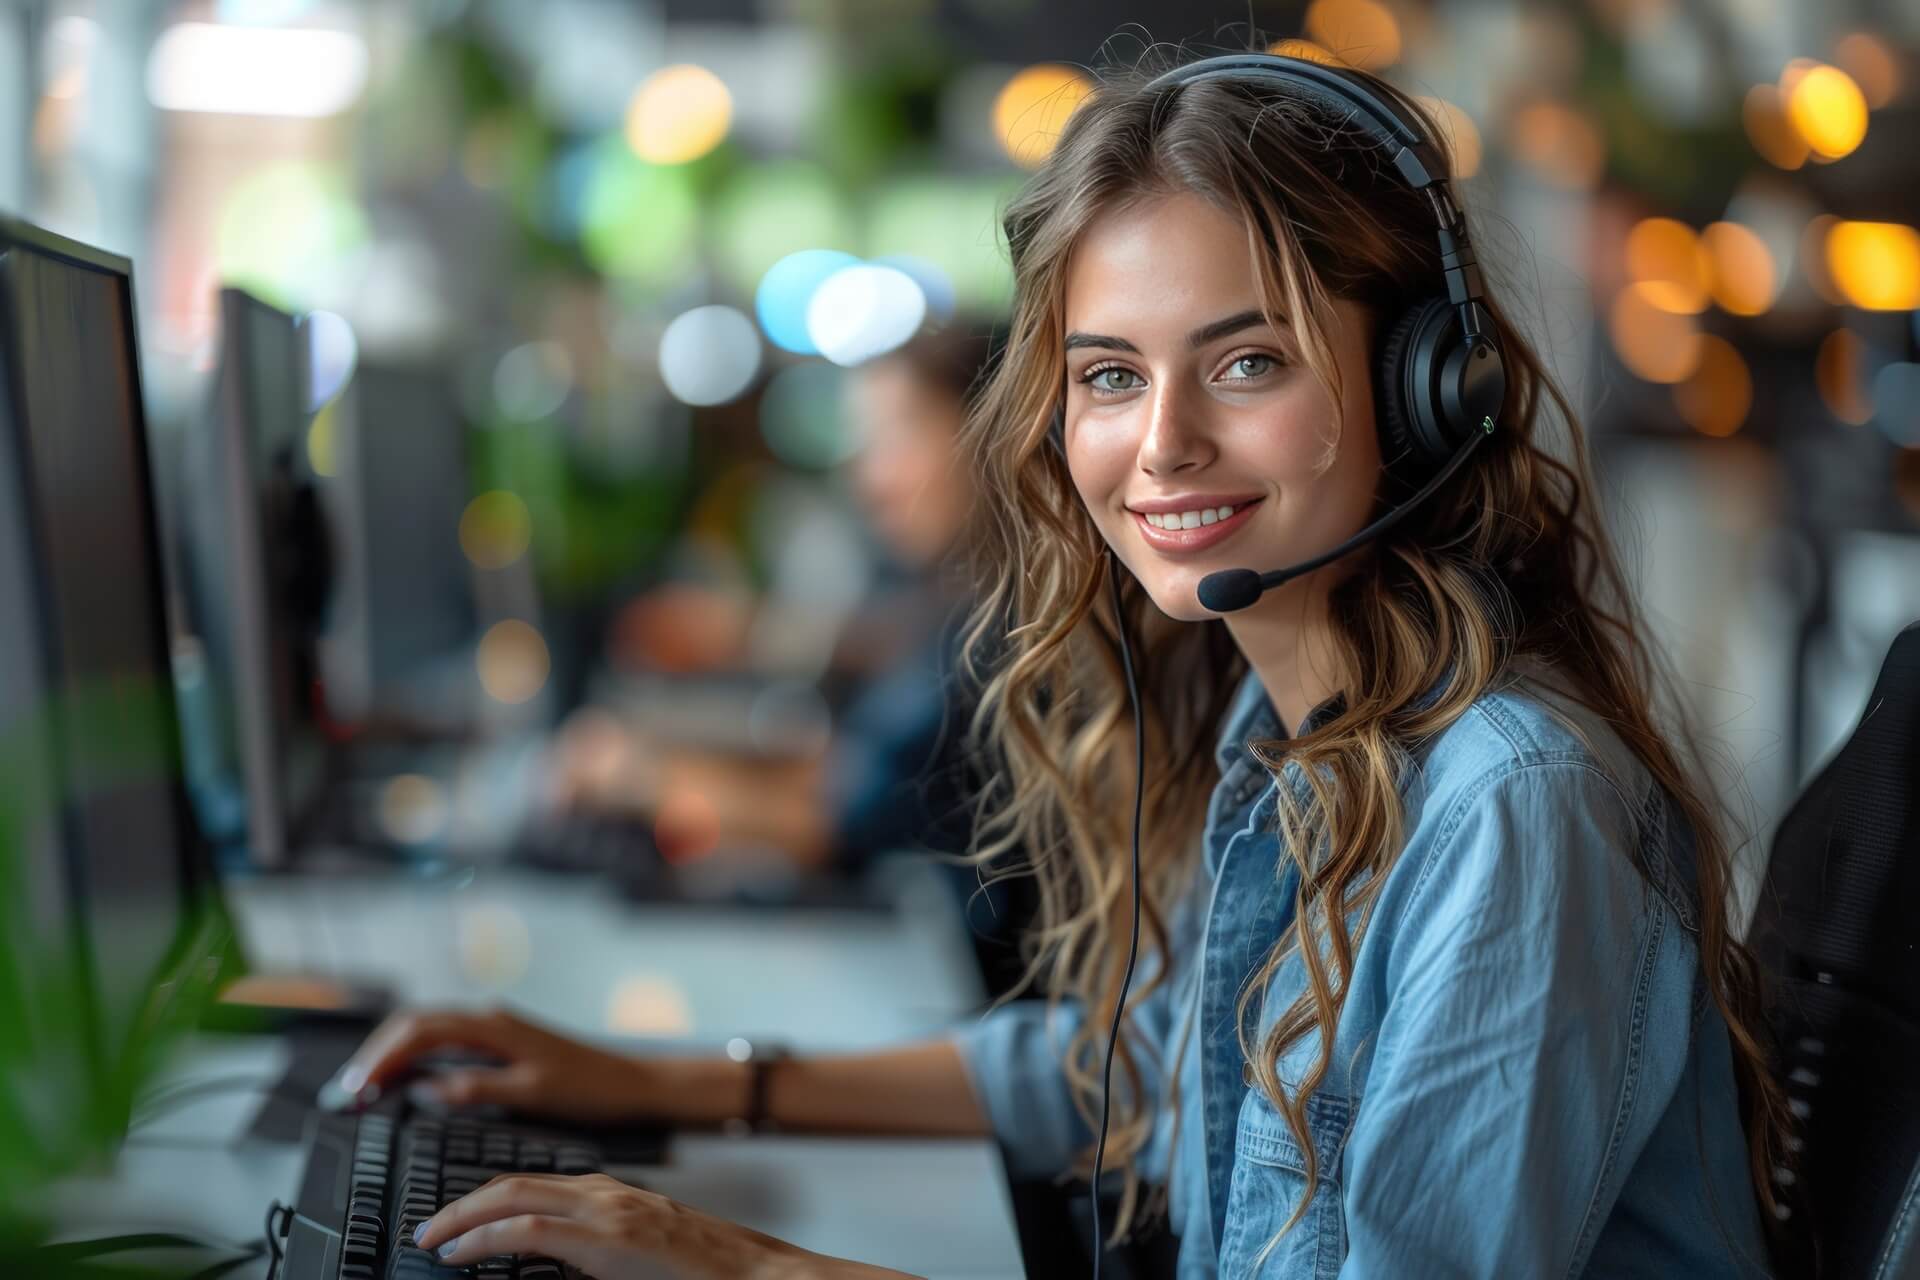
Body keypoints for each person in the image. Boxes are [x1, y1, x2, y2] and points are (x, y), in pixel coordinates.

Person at [326, 50, 1788, 1278]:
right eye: (1109, 376)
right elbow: (1148, 1075)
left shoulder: (1508, 804)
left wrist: (746, 1260)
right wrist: (659, 1082)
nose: (1161, 445)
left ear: (1422, 390)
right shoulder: (1294, 739)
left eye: (1248, 361)